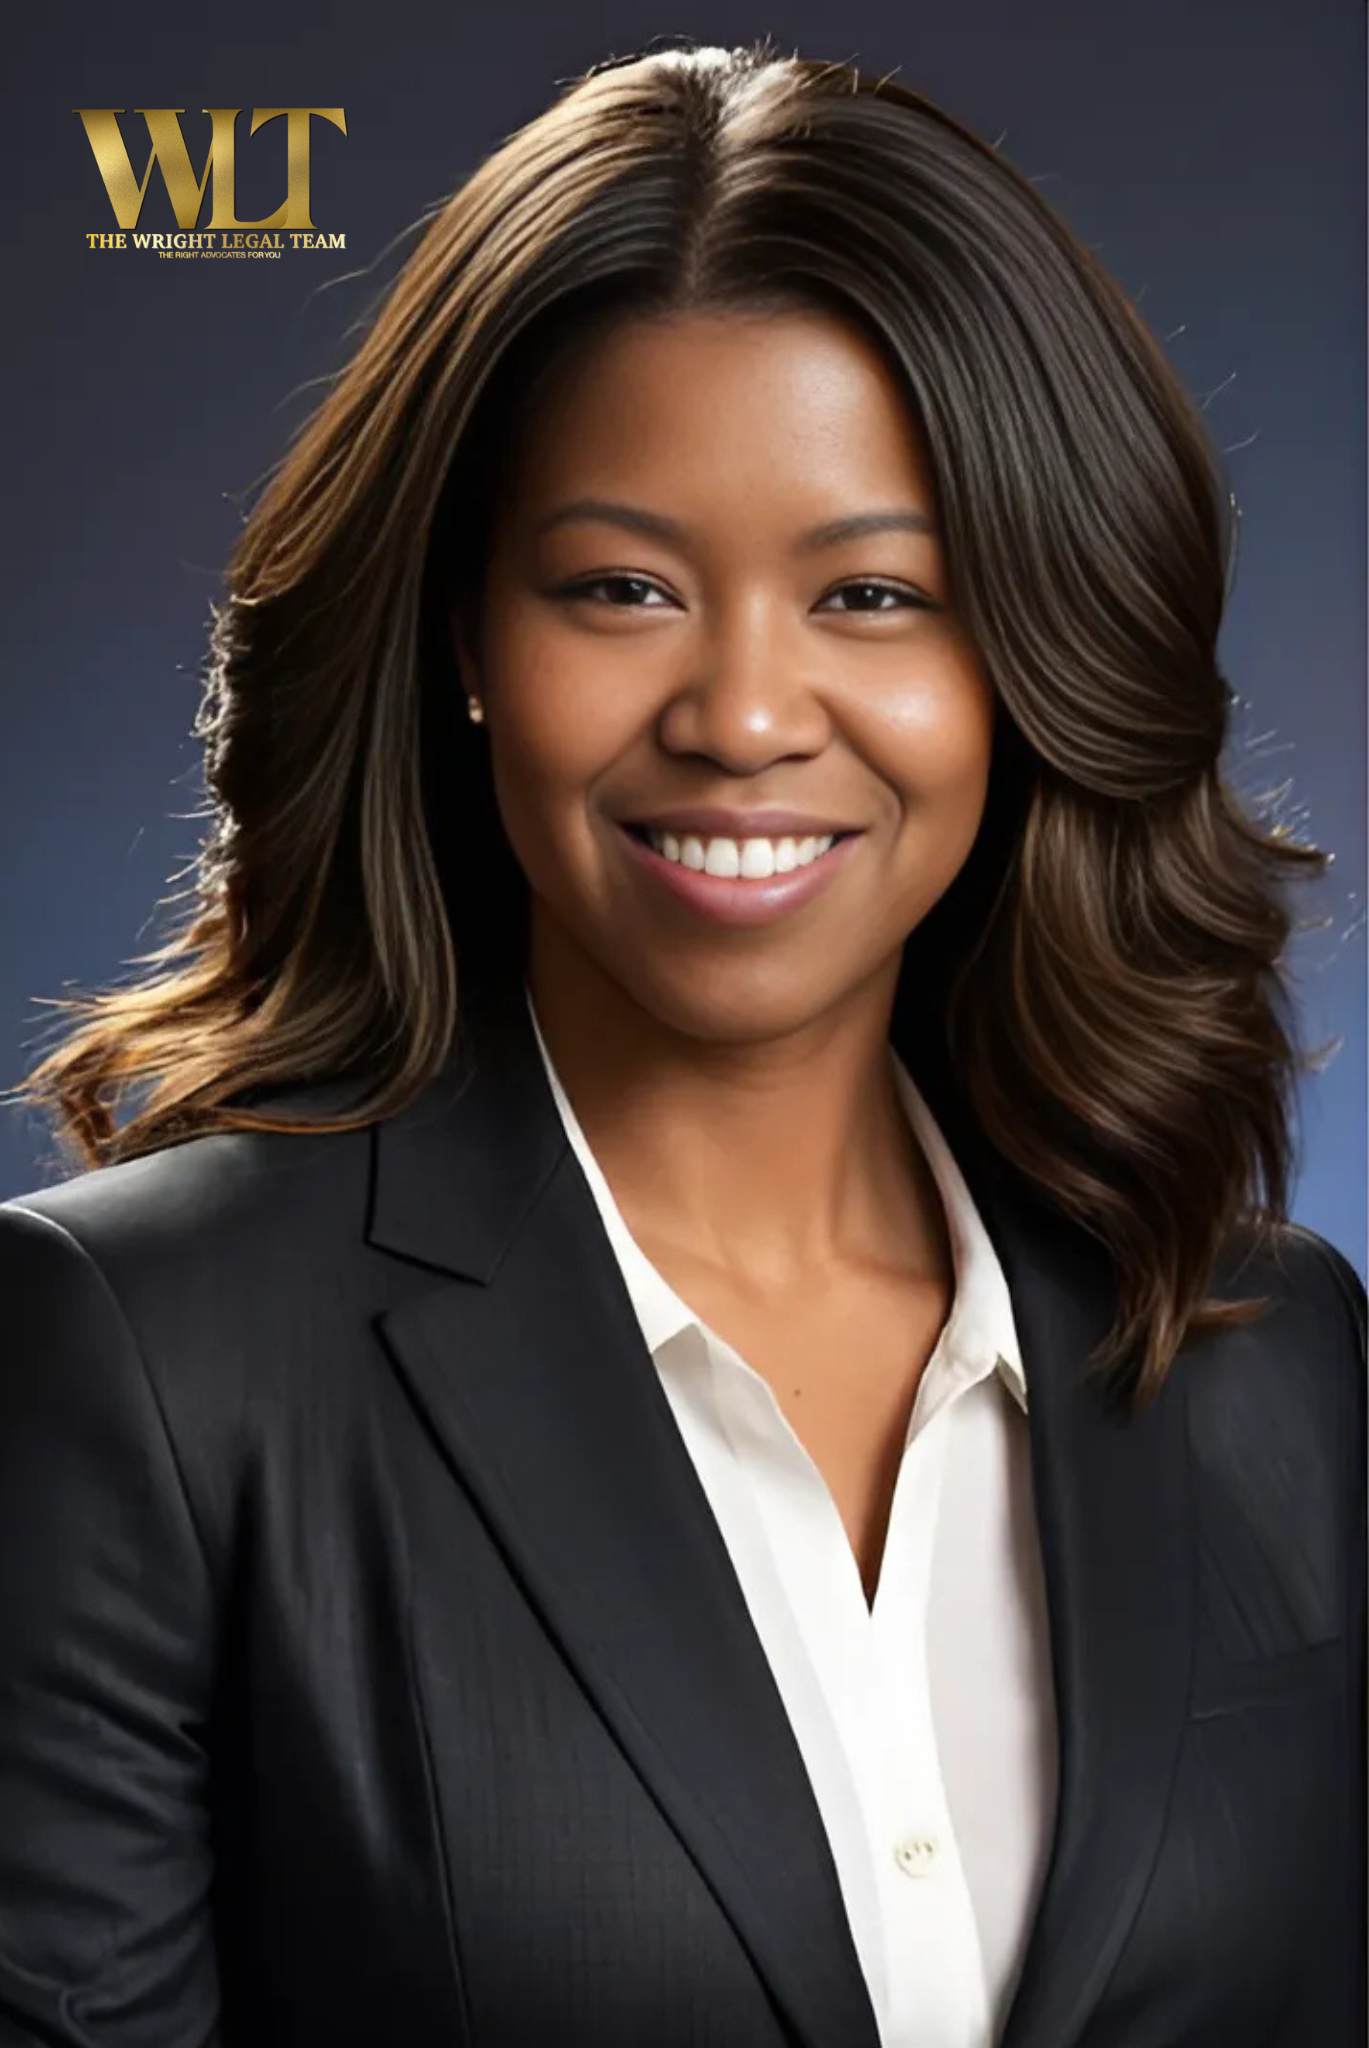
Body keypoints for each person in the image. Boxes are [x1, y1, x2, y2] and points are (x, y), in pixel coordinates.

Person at [0, 38, 1363, 2048]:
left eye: (873, 593)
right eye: (621, 586)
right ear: (466, 640)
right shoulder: (145, 1360)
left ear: (1034, 650)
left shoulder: (1272, 1350)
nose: (741, 715)